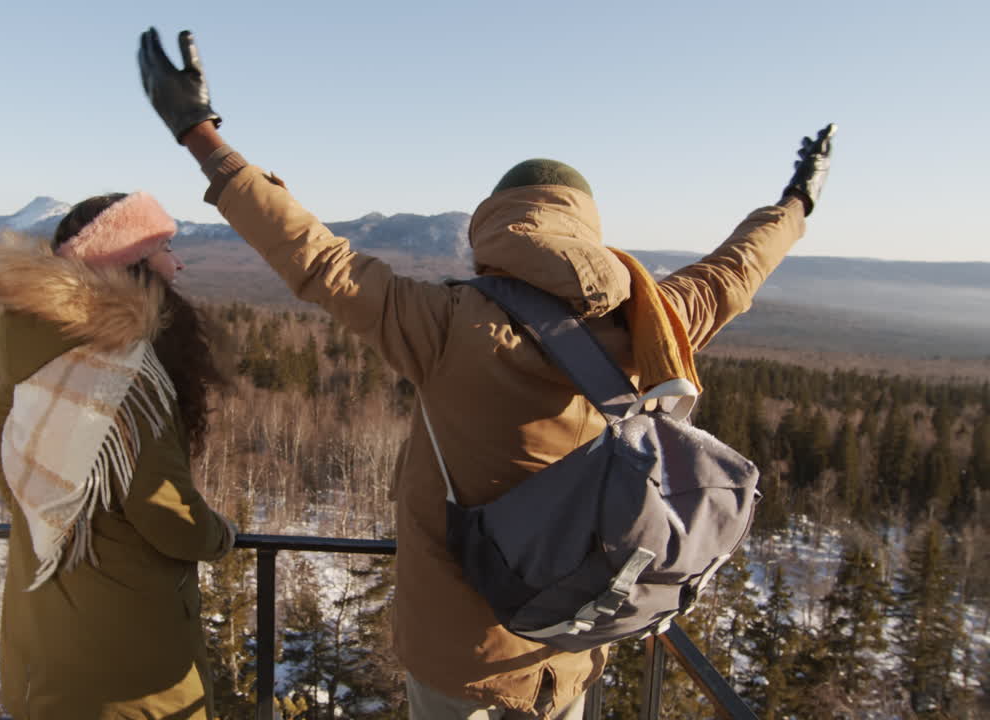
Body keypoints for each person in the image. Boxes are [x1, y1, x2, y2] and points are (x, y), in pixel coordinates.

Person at [138, 27, 833, 720]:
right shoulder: (653, 318)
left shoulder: (444, 321)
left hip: (458, 659)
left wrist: (200, 133)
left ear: (495, 224)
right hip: (569, 648)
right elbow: (736, 271)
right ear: (583, 224)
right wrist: (797, 201)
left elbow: (318, 259)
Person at [0, 191, 236, 719]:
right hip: (125, 661)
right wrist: (221, 535)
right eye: (165, 247)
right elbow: (169, 516)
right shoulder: (122, 380)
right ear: (129, 265)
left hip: (42, 634)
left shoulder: (36, 364)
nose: (178, 262)